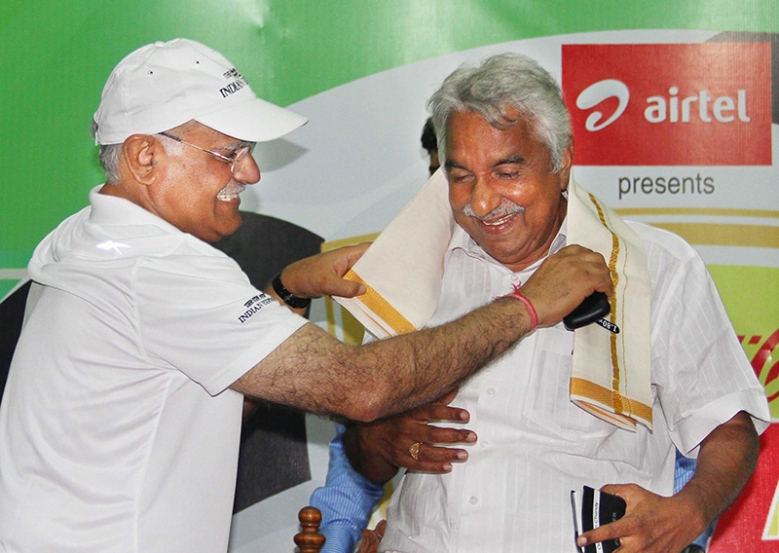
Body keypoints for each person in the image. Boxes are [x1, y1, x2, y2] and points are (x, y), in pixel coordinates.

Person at [0, 40, 612, 552]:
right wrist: (528, 305)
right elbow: (362, 388)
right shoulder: (159, 269)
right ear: (144, 156)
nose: (250, 173)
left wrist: (288, 289)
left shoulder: (83, 238)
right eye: (230, 153)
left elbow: (212, 391)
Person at [310, 53, 770, 553]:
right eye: (461, 176)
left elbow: (728, 426)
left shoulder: (654, 265)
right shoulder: (414, 264)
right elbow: (365, 455)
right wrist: (374, 439)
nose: (482, 202)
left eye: (507, 172)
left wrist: (688, 512)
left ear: (561, 161)